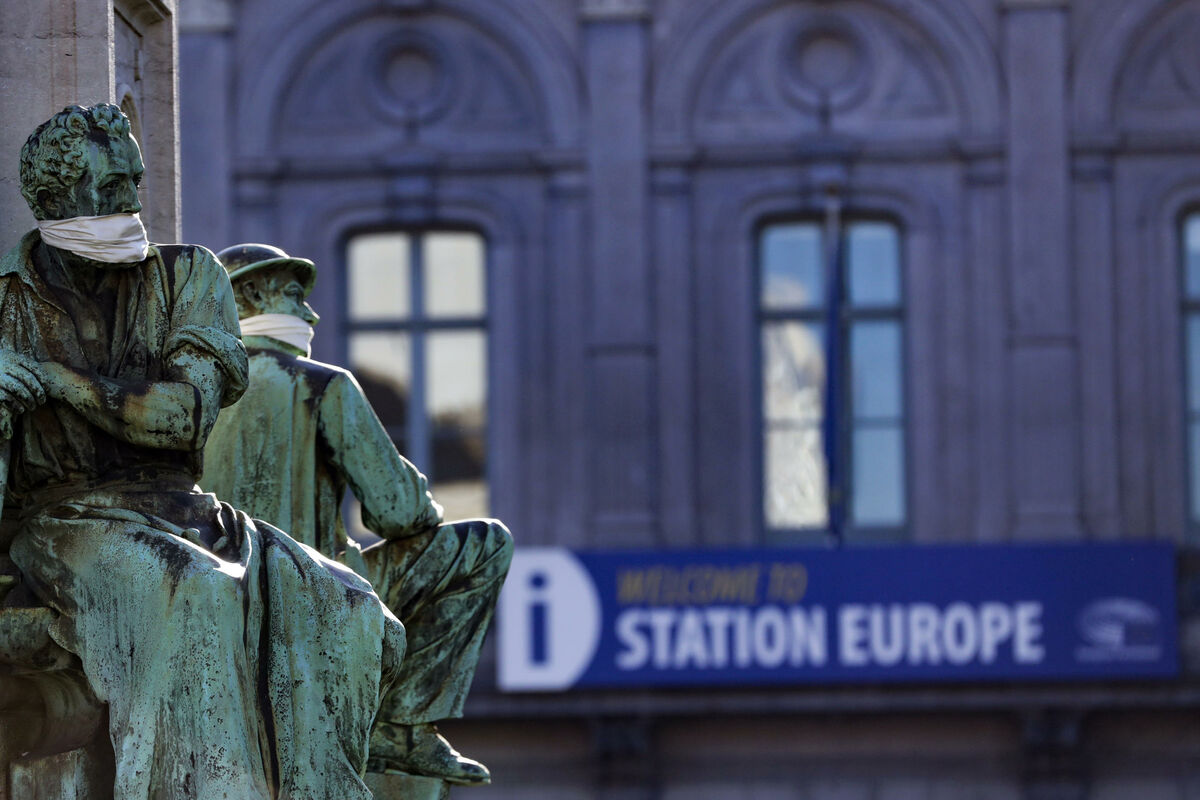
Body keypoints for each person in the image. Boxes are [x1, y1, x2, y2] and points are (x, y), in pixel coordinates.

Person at [0, 104, 405, 800]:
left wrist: (58, 382)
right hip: (60, 522)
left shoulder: (189, 277)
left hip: (186, 510)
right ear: (56, 200)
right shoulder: (6, 302)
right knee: (193, 590)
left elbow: (184, 417)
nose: (132, 202)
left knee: (354, 611)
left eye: (136, 180)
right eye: (112, 188)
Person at [200, 243, 512, 786]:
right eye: (294, 295)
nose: (311, 313)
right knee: (486, 543)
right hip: (320, 595)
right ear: (249, 295)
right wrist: (418, 488)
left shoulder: (194, 395)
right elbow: (401, 513)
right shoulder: (320, 384)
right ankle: (399, 725)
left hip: (214, 600)